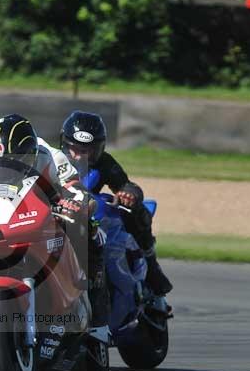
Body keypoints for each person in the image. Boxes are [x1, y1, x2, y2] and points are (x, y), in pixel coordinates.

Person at [0, 114, 108, 332]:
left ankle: (99, 324)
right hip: (10, 221)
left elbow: (78, 190)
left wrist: (75, 204)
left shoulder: (51, 158)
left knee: (88, 231)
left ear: (29, 155)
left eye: (10, 163)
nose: (1, 170)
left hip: (49, 213)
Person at [59, 110, 173, 297]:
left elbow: (127, 186)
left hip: (92, 218)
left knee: (135, 210)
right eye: (74, 148)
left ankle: (151, 266)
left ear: (98, 149)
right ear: (64, 143)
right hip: (60, 214)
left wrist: (129, 195)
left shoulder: (104, 163)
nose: (79, 156)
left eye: (86, 151)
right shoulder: (53, 159)